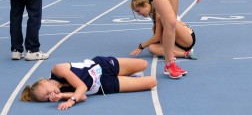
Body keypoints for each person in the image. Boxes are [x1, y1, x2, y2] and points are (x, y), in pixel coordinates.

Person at [20, 56, 157, 110]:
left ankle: (127, 73)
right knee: (152, 82)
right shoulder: (61, 94)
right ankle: (127, 76)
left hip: (102, 66)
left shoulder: (58, 70)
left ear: (44, 81)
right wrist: (62, 97)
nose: (50, 95)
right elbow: (83, 96)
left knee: (144, 64)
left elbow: (82, 87)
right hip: (104, 85)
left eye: (47, 92)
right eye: (47, 98)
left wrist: (70, 101)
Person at [130, 0, 197, 59]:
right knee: (151, 48)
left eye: (138, 11)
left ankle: (174, 52)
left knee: (164, 20)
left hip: (187, 38)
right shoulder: (153, 13)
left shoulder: (158, 10)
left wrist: (141, 46)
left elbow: (157, 37)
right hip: (177, 42)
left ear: (145, 5)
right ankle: (186, 53)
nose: (138, 14)